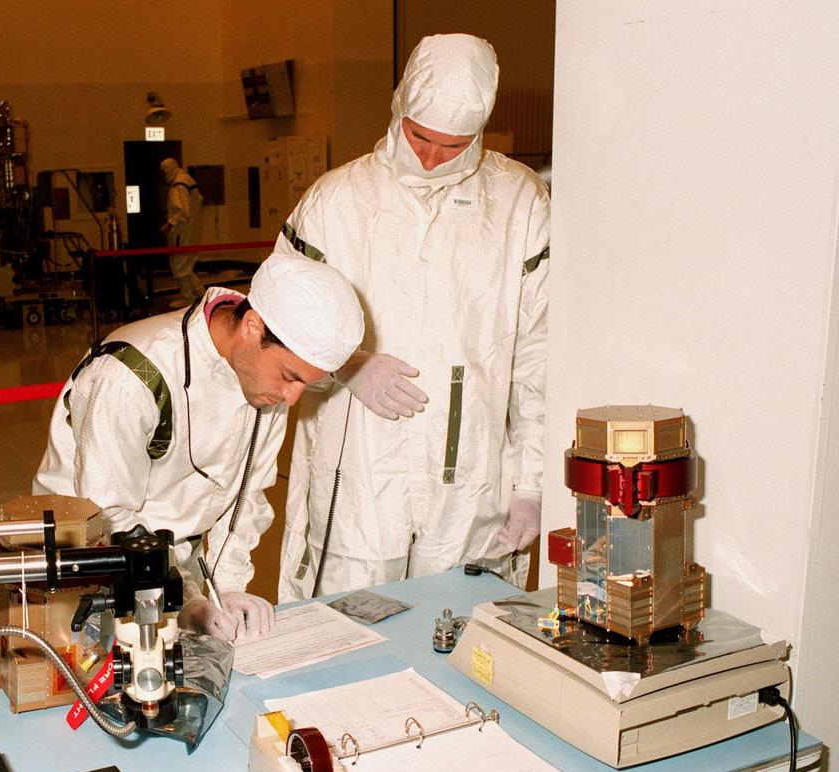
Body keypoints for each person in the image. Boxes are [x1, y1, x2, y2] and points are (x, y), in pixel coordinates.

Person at [276, 34, 551, 601]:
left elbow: (538, 356)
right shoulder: (336, 201)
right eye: (419, 136)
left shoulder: (518, 204)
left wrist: (532, 483)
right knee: (346, 621)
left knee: (464, 625)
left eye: (453, 146)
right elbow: (276, 325)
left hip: (471, 478)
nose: (430, 158)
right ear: (399, 109)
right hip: (357, 470)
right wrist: (349, 365)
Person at [35, 253, 364, 641]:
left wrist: (228, 587)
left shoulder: (263, 383)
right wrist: (187, 600)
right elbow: (106, 515)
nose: (292, 399)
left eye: (306, 384)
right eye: (290, 377)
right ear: (253, 327)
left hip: (170, 566)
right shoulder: (132, 377)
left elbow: (247, 495)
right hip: (82, 570)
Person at [160, 157, 205, 308]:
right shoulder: (188, 180)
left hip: (182, 232)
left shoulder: (178, 185)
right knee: (187, 265)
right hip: (192, 230)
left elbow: (182, 211)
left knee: (179, 265)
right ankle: (200, 293)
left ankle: (188, 297)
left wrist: (169, 224)